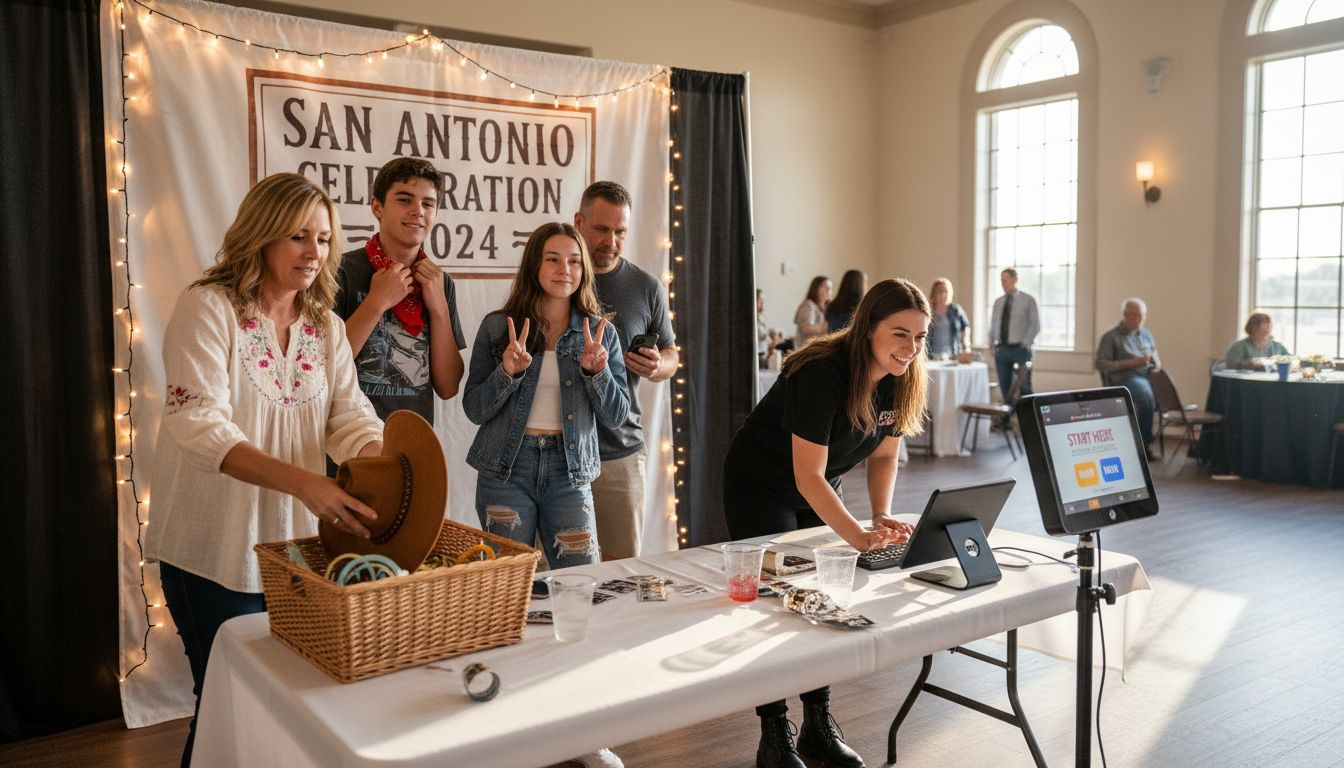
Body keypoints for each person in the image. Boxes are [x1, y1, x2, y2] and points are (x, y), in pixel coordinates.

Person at [146, 173, 385, 768]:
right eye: (298, 236)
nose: (314, 253)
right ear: (260, 236)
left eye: (324, 239)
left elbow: (349, 417)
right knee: (227, 704)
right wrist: (307, 482)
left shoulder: (324, 327)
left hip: (291, 555)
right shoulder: (209, 307)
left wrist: (386, 465)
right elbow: (198, 423)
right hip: (211, 549)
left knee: (286, 707)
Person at [723, 278, 931, 768]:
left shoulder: (902, 377)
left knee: (822, 597)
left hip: (819, 482)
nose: (911, 348)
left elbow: (884, 457)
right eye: (900, 334)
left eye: (920, 337)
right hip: (762, 483)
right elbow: (806, 474)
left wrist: (880, 514)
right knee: (775, 602)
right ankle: (775, 734)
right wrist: (856, 534)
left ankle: (819, 724)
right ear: (867, 328)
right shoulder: (822, 371)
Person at [573, 181, 677, 561]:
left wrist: (657, 365)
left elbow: (670, 354)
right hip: (557, 454)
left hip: (620, 452)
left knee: (621, 571)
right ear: (579, 222)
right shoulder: (557, 277)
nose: (611, 241)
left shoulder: (646, 286)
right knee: (555, 576)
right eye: (601, 229)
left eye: (620, 232)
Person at [334, 157, 466, 425]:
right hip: (347, 441)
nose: (418, 211)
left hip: (414, 442)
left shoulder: (440, 282)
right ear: (377, 207)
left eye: (428, 203)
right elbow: (326, 367)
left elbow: (449, 386)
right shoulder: (340, 270)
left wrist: (439, 309)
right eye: (404, 200)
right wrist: (375, 302)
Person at [1095, 298, 1162, 460]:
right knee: (1145, 396)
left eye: (1142, 316)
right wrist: (1132, 362)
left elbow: (1157, 360)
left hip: (1147, 376)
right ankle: (1143, 445)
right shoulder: (1111, 337)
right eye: (1135, 316)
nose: (1139, 320)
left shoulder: (1146, 335)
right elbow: (1101, 365)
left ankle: (1139, 438)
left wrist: (1155, 362)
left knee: (1163, 393)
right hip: (1124, 379)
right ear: (1125, 315)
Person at [989, 267, 1039, 413]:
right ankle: (1007, 421)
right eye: (1001, 280)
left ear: (1015, 280)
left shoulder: (1028, 300)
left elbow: (1035, 324)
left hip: (1021, 350)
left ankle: (1030, 419)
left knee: (1024, 387)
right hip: (1002, 350)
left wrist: (1025, 343)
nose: (1003, 283)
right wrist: (992, 343)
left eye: (1006, 280)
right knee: (1005, 388)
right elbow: (993, 325)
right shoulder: (998, 302)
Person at [1225, 311, 1290, 369]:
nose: (1268, 327)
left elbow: (1290, 360)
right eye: (1264, 323)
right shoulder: (1239, 346)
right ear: (1253, 327)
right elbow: (1231, 366)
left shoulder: (1277, 347)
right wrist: (1250, 364)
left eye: (1269, 324)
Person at [926, 277, 971, 358]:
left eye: (946, 291)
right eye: (940, 291)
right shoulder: (928, 311)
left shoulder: (956, 310)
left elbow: (965, 327)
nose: (943, 294)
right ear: (934, 293)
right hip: (932, 356)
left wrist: (966, 346)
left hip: (953, 354)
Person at [794, 275, 831, 347]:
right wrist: (825, 326)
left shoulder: (826, 308)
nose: (829, 290)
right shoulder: (808, 305)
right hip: (806, 350)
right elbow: (806, 329)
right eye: (826, 287)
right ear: (817, 288)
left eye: (830, 288)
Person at [757, 288, 784, 368]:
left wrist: (775, 340)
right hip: (758, 357)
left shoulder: (761, 319)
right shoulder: (751, 319)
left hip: (764, 356)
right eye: (760, 300)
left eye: (763, 300)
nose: (762, 303)